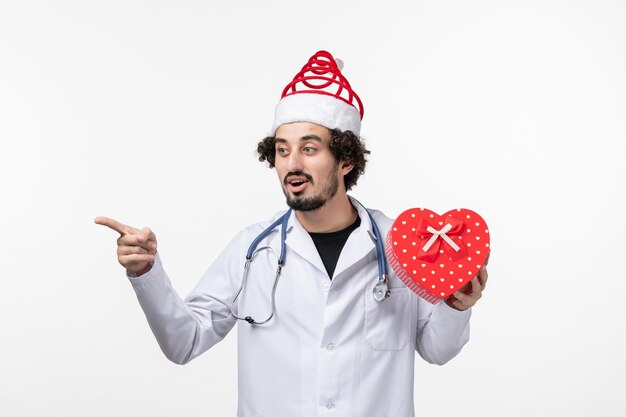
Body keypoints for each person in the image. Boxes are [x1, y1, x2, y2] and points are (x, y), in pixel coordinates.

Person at [95, 50, 488, 417]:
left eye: (310, 148)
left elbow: (438, 350)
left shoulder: (396, 243)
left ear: (346, 159)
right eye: (282, 151)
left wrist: (458, 305)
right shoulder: (254, 249)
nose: (292, 165)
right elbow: (185, 343)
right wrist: (146, 272)